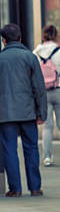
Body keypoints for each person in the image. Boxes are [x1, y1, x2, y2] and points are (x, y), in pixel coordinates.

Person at [0, 23, 47, 197]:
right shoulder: (30, 57)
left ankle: (15, 189)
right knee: (31, 149)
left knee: (9, 150)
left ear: (4, 41)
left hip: (5, 114)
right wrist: (41, 112)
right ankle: (35, 187)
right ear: (20, 38)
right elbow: (39, 88)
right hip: (28, 112)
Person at [33, 24, 60, 166]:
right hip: (58, 89)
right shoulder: (59, 51)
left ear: (43, 36)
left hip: (43, 92)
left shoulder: (36, 52)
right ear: (56, 35)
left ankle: (47, 157)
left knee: (47, 126)